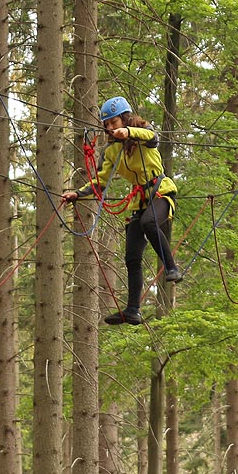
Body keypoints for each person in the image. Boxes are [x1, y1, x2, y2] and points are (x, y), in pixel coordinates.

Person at [62, 96, 183, 325]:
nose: (109, 128)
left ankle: (172, 268)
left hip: (160, 192)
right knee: (132, 256)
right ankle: (133, 310)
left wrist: (129, 132)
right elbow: (100, 181)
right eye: (106, 125)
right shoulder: (111, 150)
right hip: (139, 200)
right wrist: (77, 194)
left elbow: (153, 137)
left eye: (113, 122)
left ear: (125, 119)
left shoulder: (142, 133)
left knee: (149, 223)